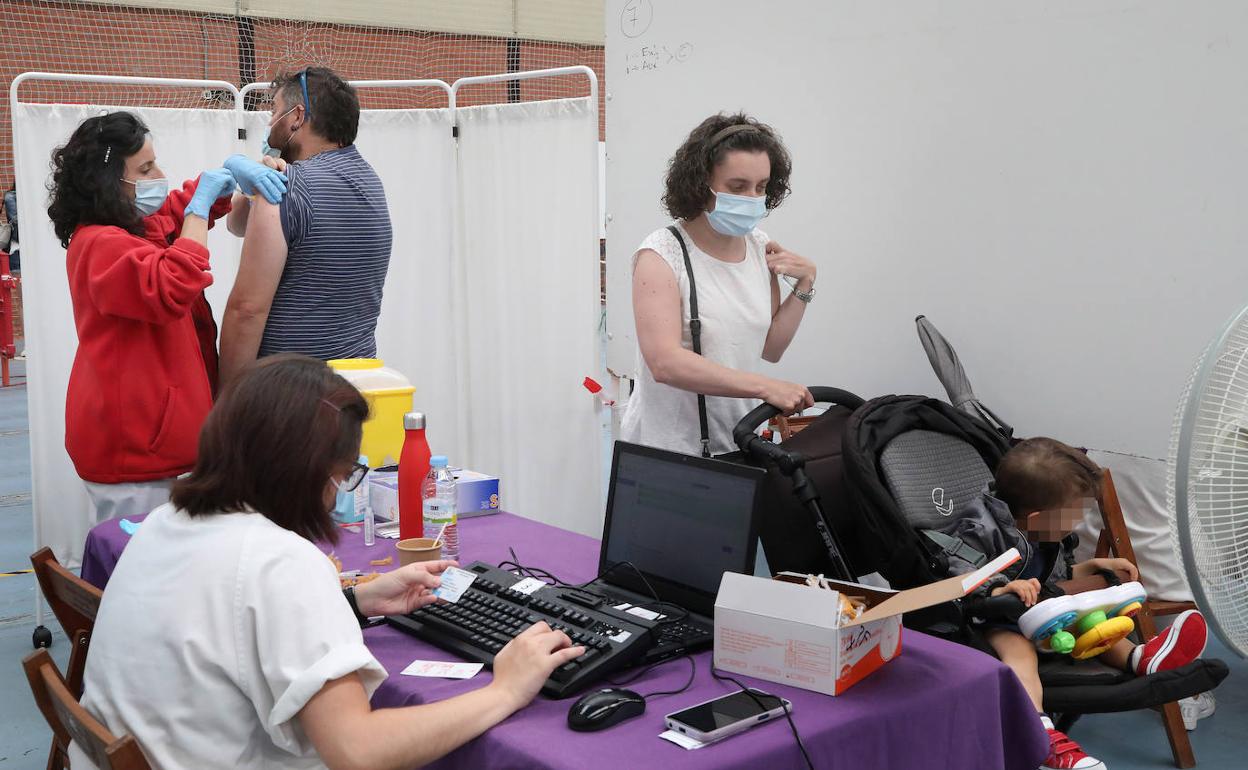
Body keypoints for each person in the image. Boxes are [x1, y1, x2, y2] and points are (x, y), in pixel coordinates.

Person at [71, 355, 584, 769]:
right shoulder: (281, 562)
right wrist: (507, 689)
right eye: (343, 474)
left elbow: (228, 622)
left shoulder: (164, 522)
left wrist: (354, 603)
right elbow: (359, 752)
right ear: (304, 472)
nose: (340, 492)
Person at [47, 111, 285, 521]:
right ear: (108, 182)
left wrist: (226, 174)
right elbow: (175, 282)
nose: (159, 174)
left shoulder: (129, 227)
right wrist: (201, 205)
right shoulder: (99, 244)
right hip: (133, 453)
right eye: (145, 168)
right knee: (139, 569)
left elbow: (173, 213)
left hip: (155, 442)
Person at [966, 438, 1210, 770]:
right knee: (1019, 655)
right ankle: (1040, 734)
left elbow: (1055, 576)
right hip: (998, 621)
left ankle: (1142, 658)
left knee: (1094, 622)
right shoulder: (983, 531)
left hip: (1047, 613)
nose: (1079, 522)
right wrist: (1000, 589)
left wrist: (1091, 568)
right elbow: (963, 579)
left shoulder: (1047, 536)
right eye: (1074, 514)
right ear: (1038, 518)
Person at [621, 113, 817, 457]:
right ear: (700, 184)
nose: (752, 198)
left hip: (737, 444)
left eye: (761, 187)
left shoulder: (759, 247)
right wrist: (766, 389)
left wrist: (804, 284)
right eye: (737, 187)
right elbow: (665, 362)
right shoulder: (661, 254)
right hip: (669, 452)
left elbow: (770, 347)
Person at [220, 66, 392, 387]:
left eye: (273, 113)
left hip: (289, 398)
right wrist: (250, 181)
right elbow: (237, 224)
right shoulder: (371, 184)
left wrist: (228, 404)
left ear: (297, 117)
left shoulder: (287, 186)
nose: (270, 125)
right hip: (355, 388)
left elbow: (246, 311)